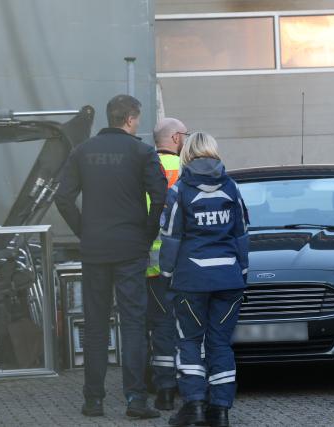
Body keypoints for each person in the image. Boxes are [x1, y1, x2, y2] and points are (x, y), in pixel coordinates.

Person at [55, 94, 167, 419]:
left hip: (95, 250)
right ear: (131, 119)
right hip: (131, 250)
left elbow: (63, 198)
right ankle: (136, 401)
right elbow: (159, 196)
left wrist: (84, 232)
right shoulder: (143, 152)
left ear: (110, 117)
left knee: (95, 326)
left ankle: (93, 401)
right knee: (133, 324)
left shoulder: (82, 151)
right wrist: (146, 234)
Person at [159, 132, 249, 427]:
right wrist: (242, 270)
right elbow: (242, 234)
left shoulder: (180, 190)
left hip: (191, 280)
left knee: (188, 340)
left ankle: (194, 406)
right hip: (228, 278)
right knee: (220, 344)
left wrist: (167, 274)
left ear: (187, 154)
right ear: (213, 152)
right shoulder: (232, 187)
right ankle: (220, 410)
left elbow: (171, 237)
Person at [145, 118, 188, 410]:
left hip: (152, 264)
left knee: (159, 325)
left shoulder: (143, 170)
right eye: (184, 135)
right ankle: (192, 385)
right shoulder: (186, 171)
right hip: (185, 265)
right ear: (174, 137)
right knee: (188, 326)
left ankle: (163, 389)